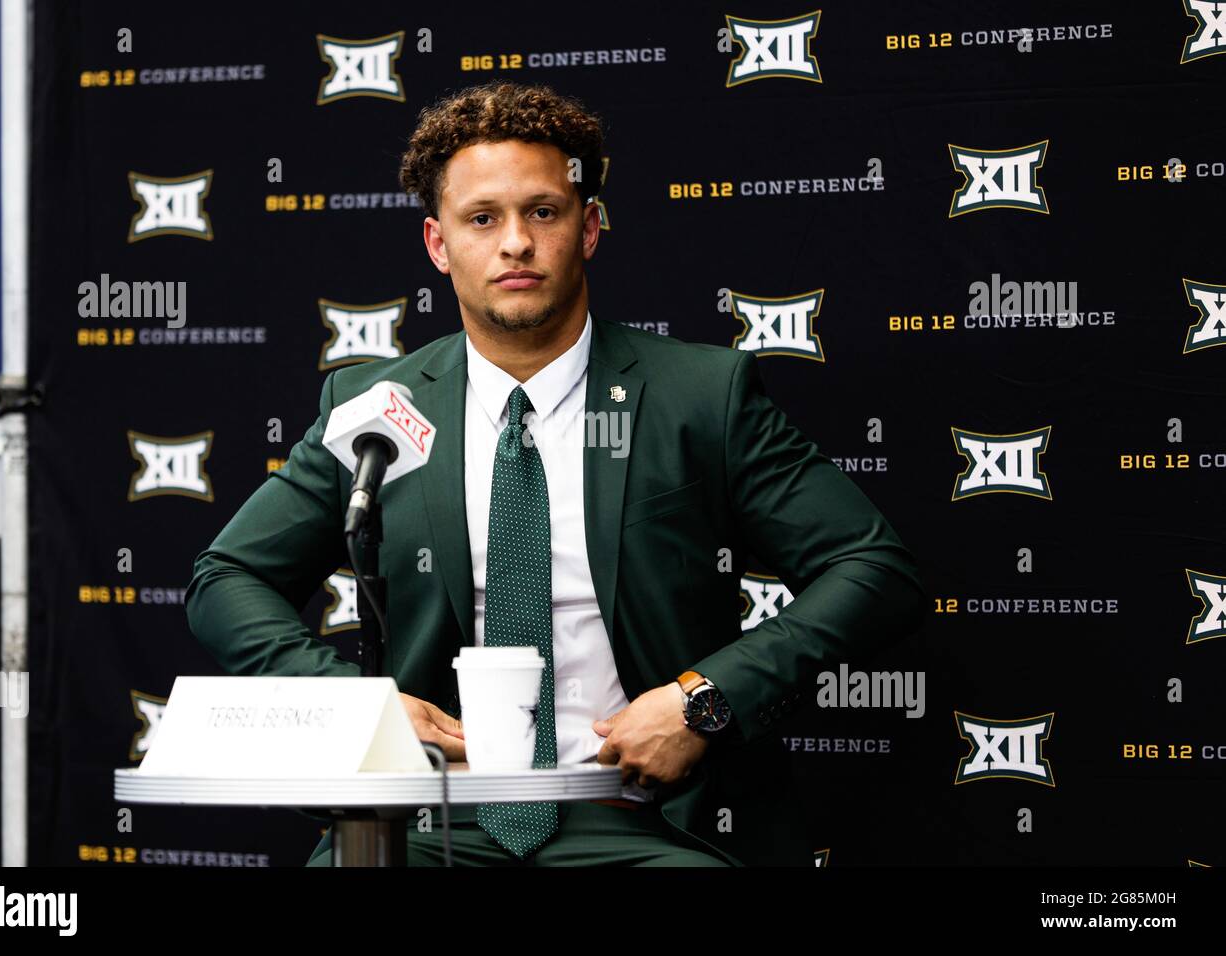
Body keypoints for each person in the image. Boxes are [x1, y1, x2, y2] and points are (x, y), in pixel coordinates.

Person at [184, 80, 926, 866]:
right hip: (437, 817)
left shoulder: (701, 396)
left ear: (590, 227)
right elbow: (225, 576)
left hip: (644, 820)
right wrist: (357, 709)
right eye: (482, 218)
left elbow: (875, 568)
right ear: (439, 245)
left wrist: (704, 700)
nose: (515, 243)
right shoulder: (378, 406)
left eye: (543, 211)